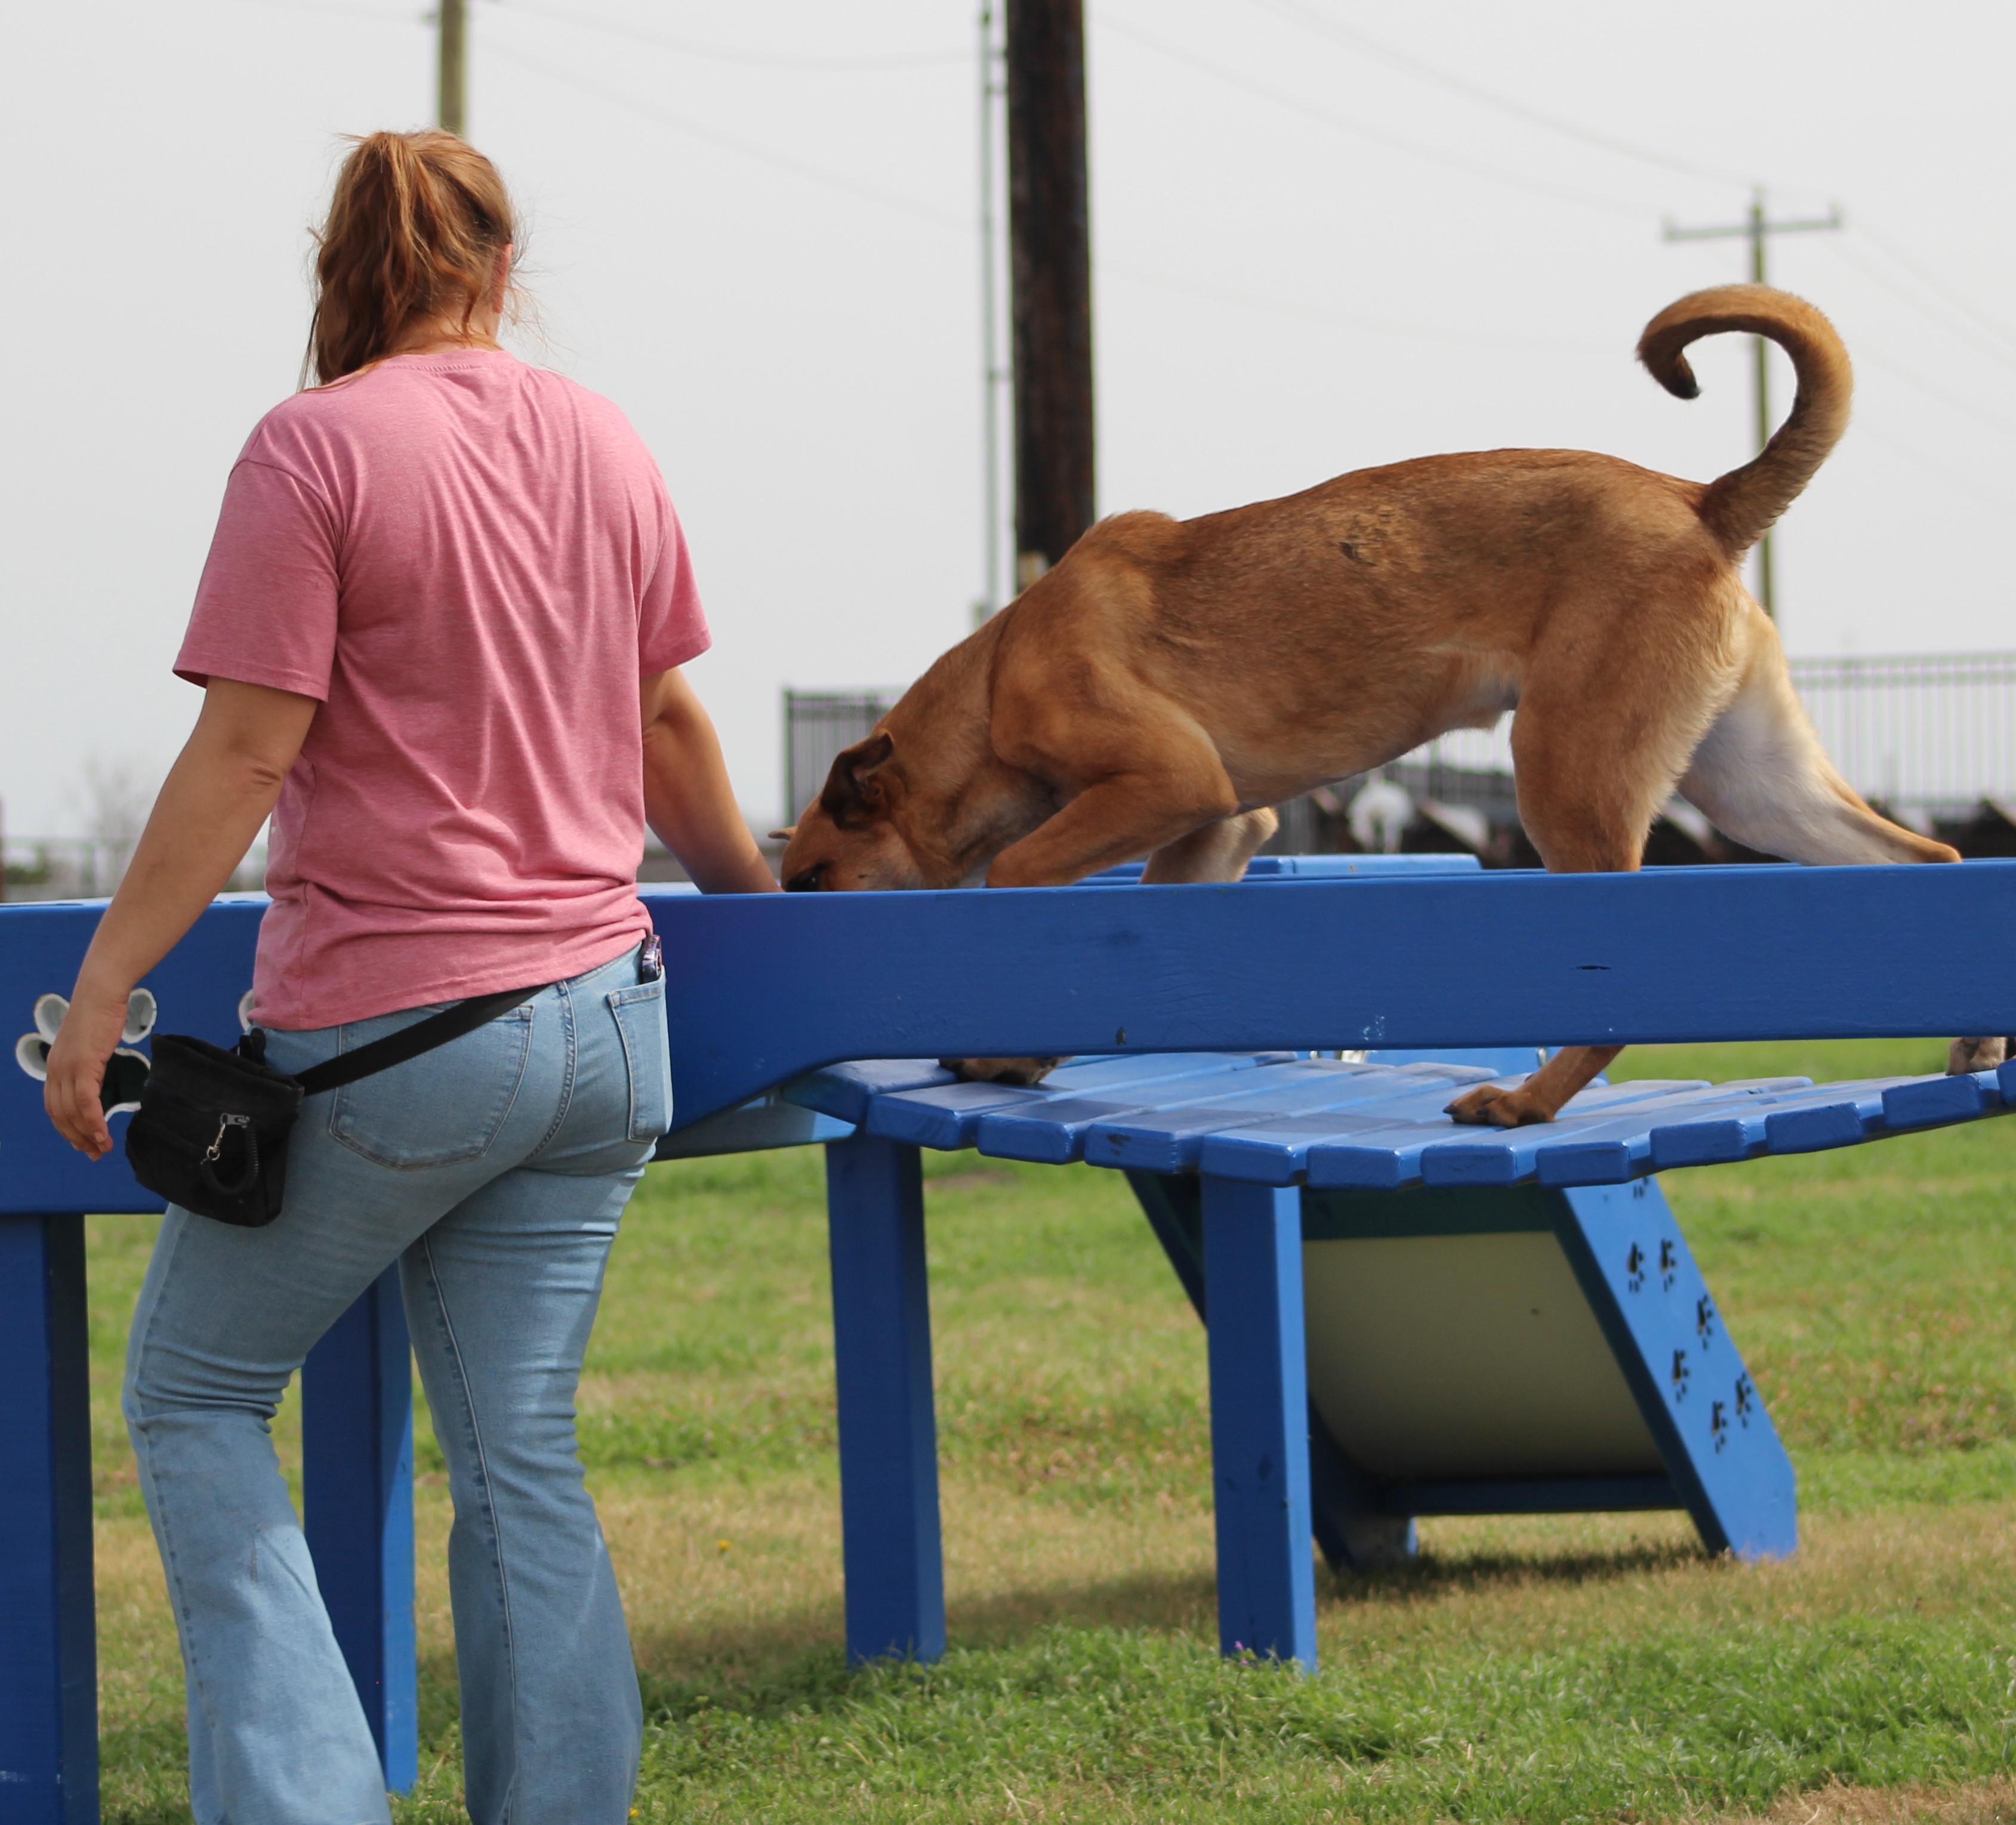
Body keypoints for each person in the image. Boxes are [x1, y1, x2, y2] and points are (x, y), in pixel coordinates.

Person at [42, 129, 776, 1824]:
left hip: (403, 1038)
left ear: (341, 267)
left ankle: (308, 1804)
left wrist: (102, 992)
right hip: (608, 1025)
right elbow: (667, 723)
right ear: (501, 265)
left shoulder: (311, 451)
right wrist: (769, 903)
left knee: (196, 1395)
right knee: (519, 1451)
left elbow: (242, 750)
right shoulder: (606, 437)